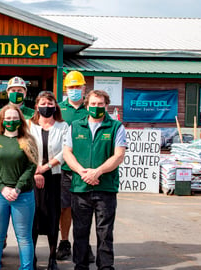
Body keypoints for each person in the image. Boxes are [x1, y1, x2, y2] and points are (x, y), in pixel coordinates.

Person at [63, 90, 126, 270]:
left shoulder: (116, 127)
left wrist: (97, 172)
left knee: (105, 232)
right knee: (80, 231)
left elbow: (119, 155)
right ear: (87, 105)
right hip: (80, 188)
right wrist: (82, 172)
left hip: (105, 188)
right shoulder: (75, 126)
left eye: (100, 104)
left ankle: (105, 266)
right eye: (93, 104)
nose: (96, 107)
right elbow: (67, 152)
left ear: (107, 106)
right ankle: (80, 265)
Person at [0, 104, 38, 270]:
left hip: (22, 195)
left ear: (20, 120)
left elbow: (31, 167)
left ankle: (27, 267)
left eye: (15, 118)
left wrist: (17, 188)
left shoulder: (28, 140)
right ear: (1, 120)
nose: (11, 121)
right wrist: (2, 187)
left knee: (24, 237)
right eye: (8, 118)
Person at [56, 70, 93, 262]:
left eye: (77, 87)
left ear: (84, 87)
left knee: (84, 209)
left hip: (86, 170)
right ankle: (64, 242)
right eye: (71, 87)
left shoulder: (91, 109)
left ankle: (84, 244)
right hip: (64, 169)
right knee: (65, 208)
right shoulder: (59, 109)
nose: (74, 90)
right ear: (65, 89)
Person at [28, 91, 68, 270]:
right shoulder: (29, 125)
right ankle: (32, 258)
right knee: (34, 217)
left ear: (55, 106)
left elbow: (66, 151)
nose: (47, 106)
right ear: (37, 106)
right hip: (32, 176)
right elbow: (24, 147)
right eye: (43, 103)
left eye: (50, 103)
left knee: (53, 216)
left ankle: (52, 258)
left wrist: (45, 167)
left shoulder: (63, 126)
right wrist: (36, 170)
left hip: (54, 177)